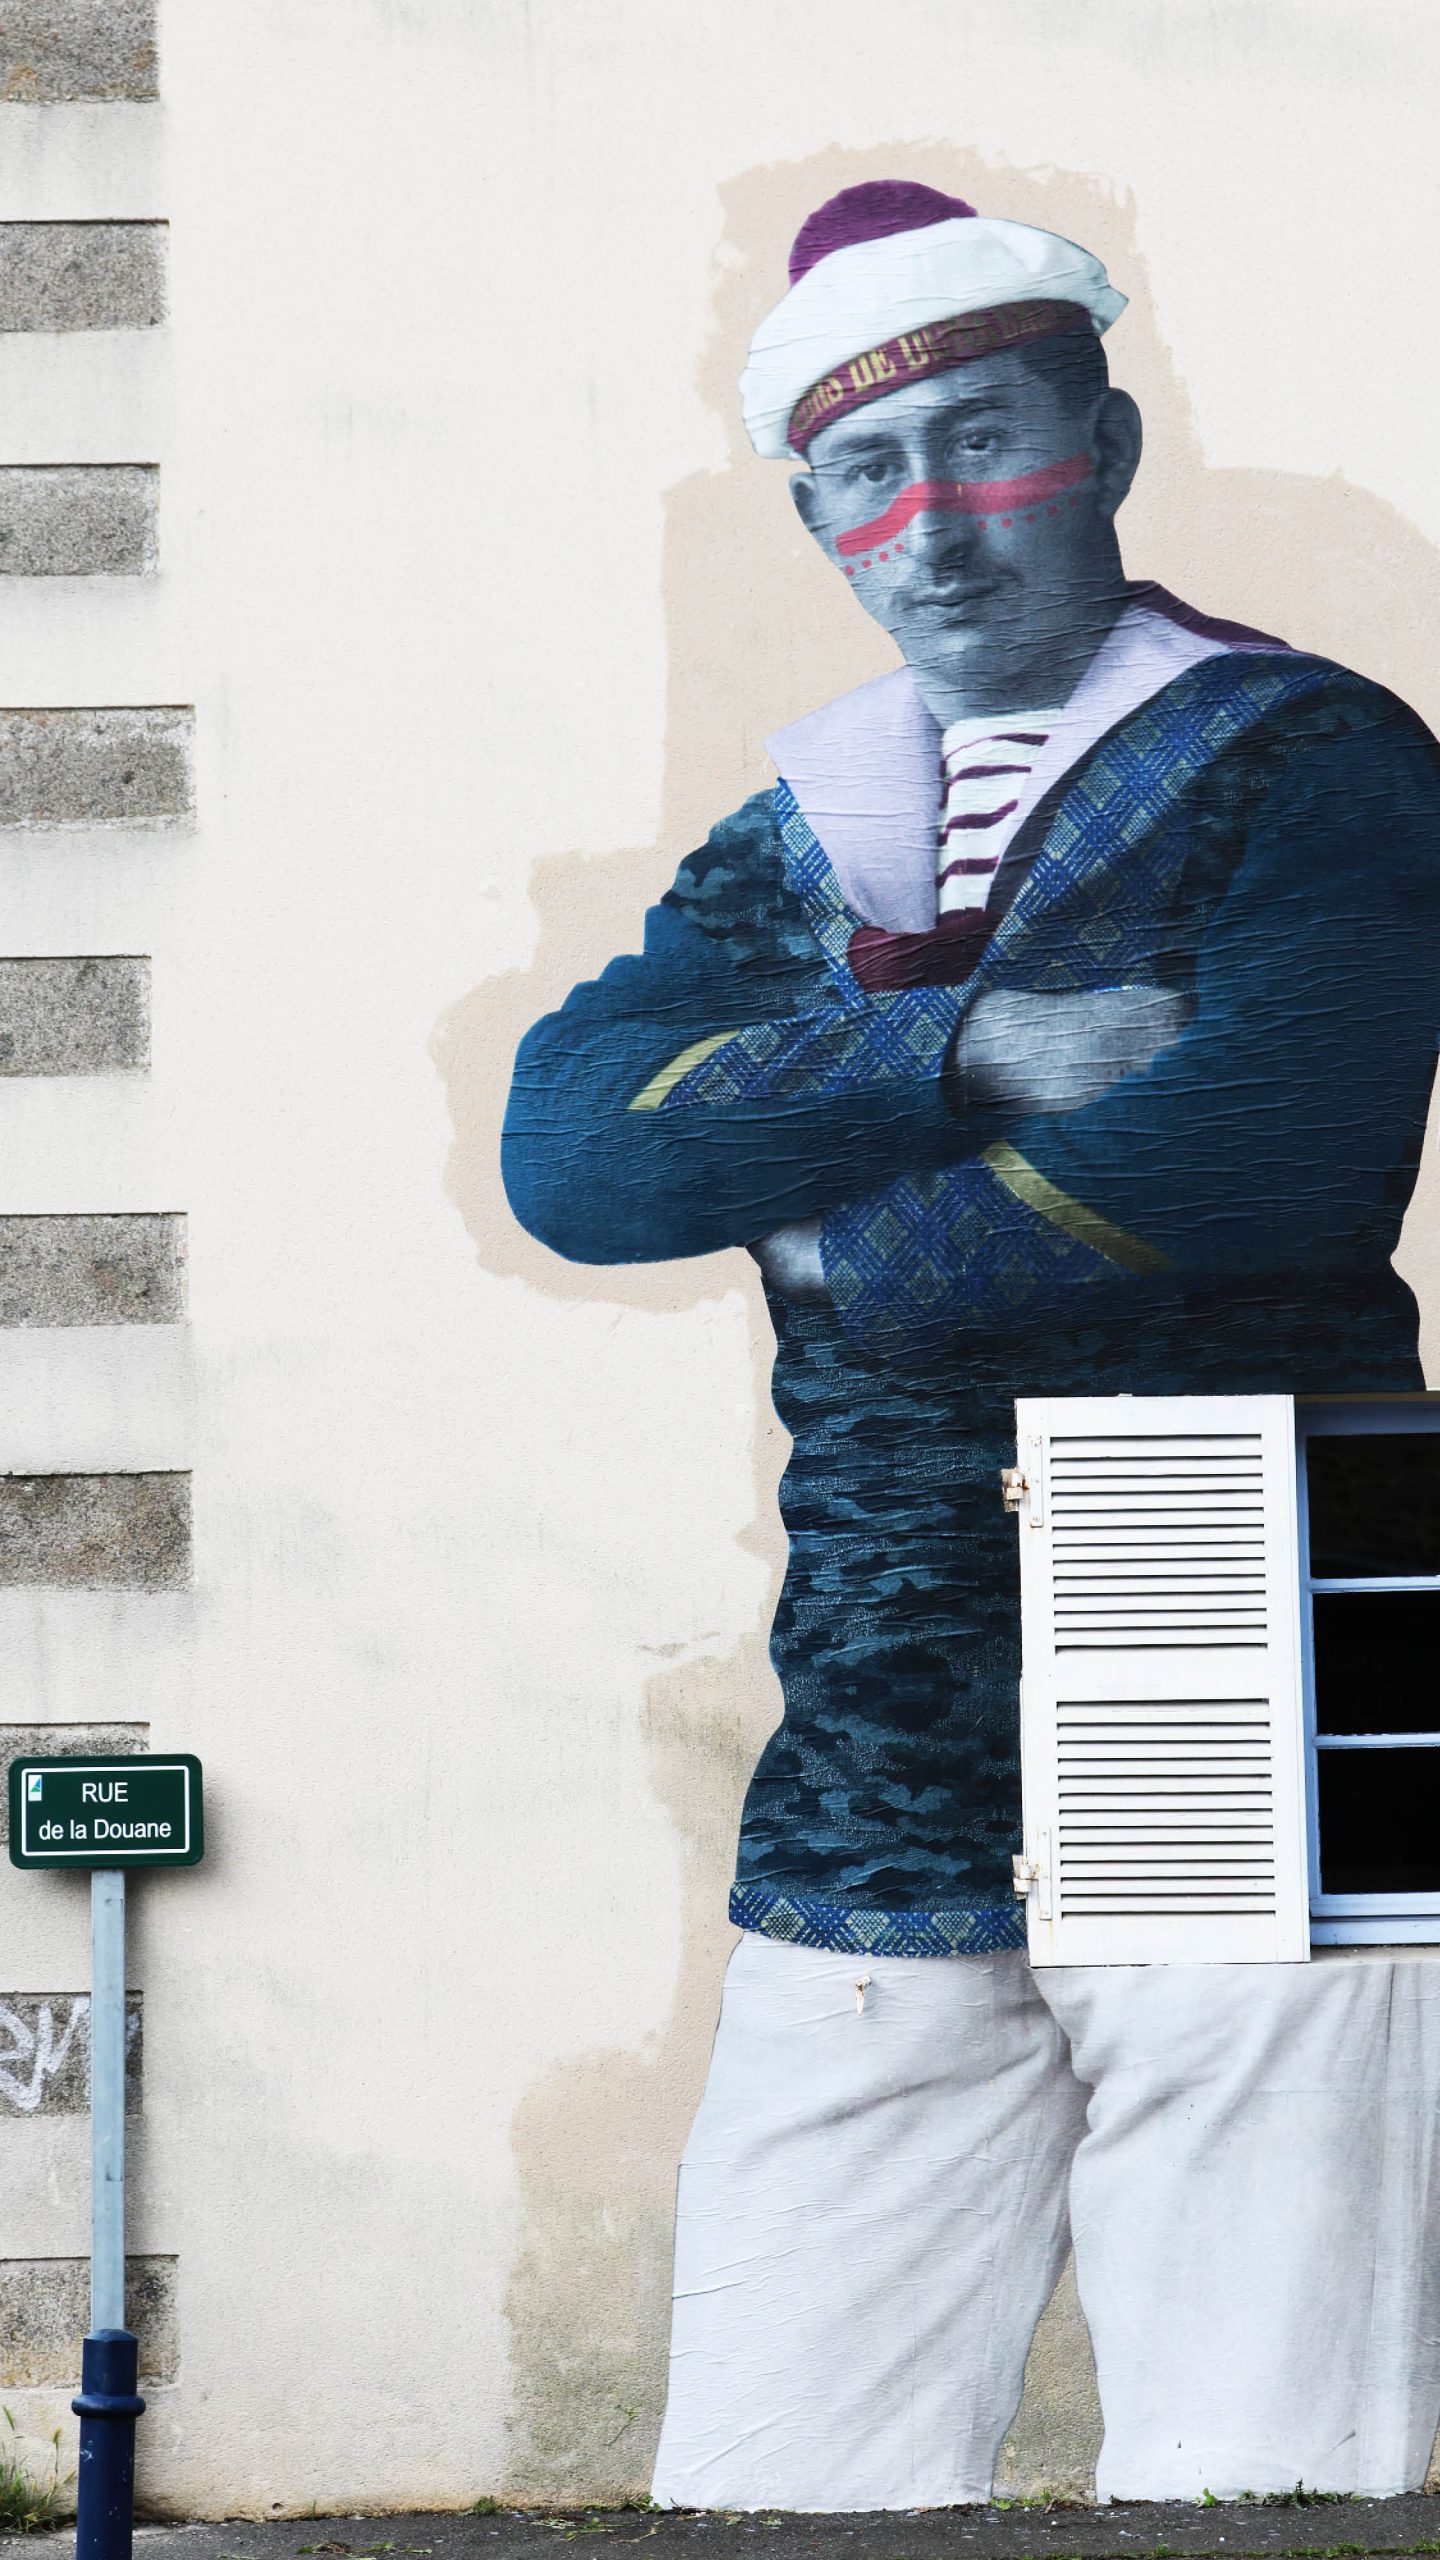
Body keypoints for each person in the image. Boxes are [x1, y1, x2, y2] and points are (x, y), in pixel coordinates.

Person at [502, 184, 1440, 2508]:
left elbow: (1270, 1142)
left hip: (1234, 1606)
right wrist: (966, 1051)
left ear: (1103, 446)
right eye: (865, 474)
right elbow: (574, 1151)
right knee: (777, 2456)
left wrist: (845, 1250)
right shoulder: (804, 834)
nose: (932, 525)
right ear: (818, 519)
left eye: (987, 442)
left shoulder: (1309, 760)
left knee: (1267, 2446)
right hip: (885, 1702)